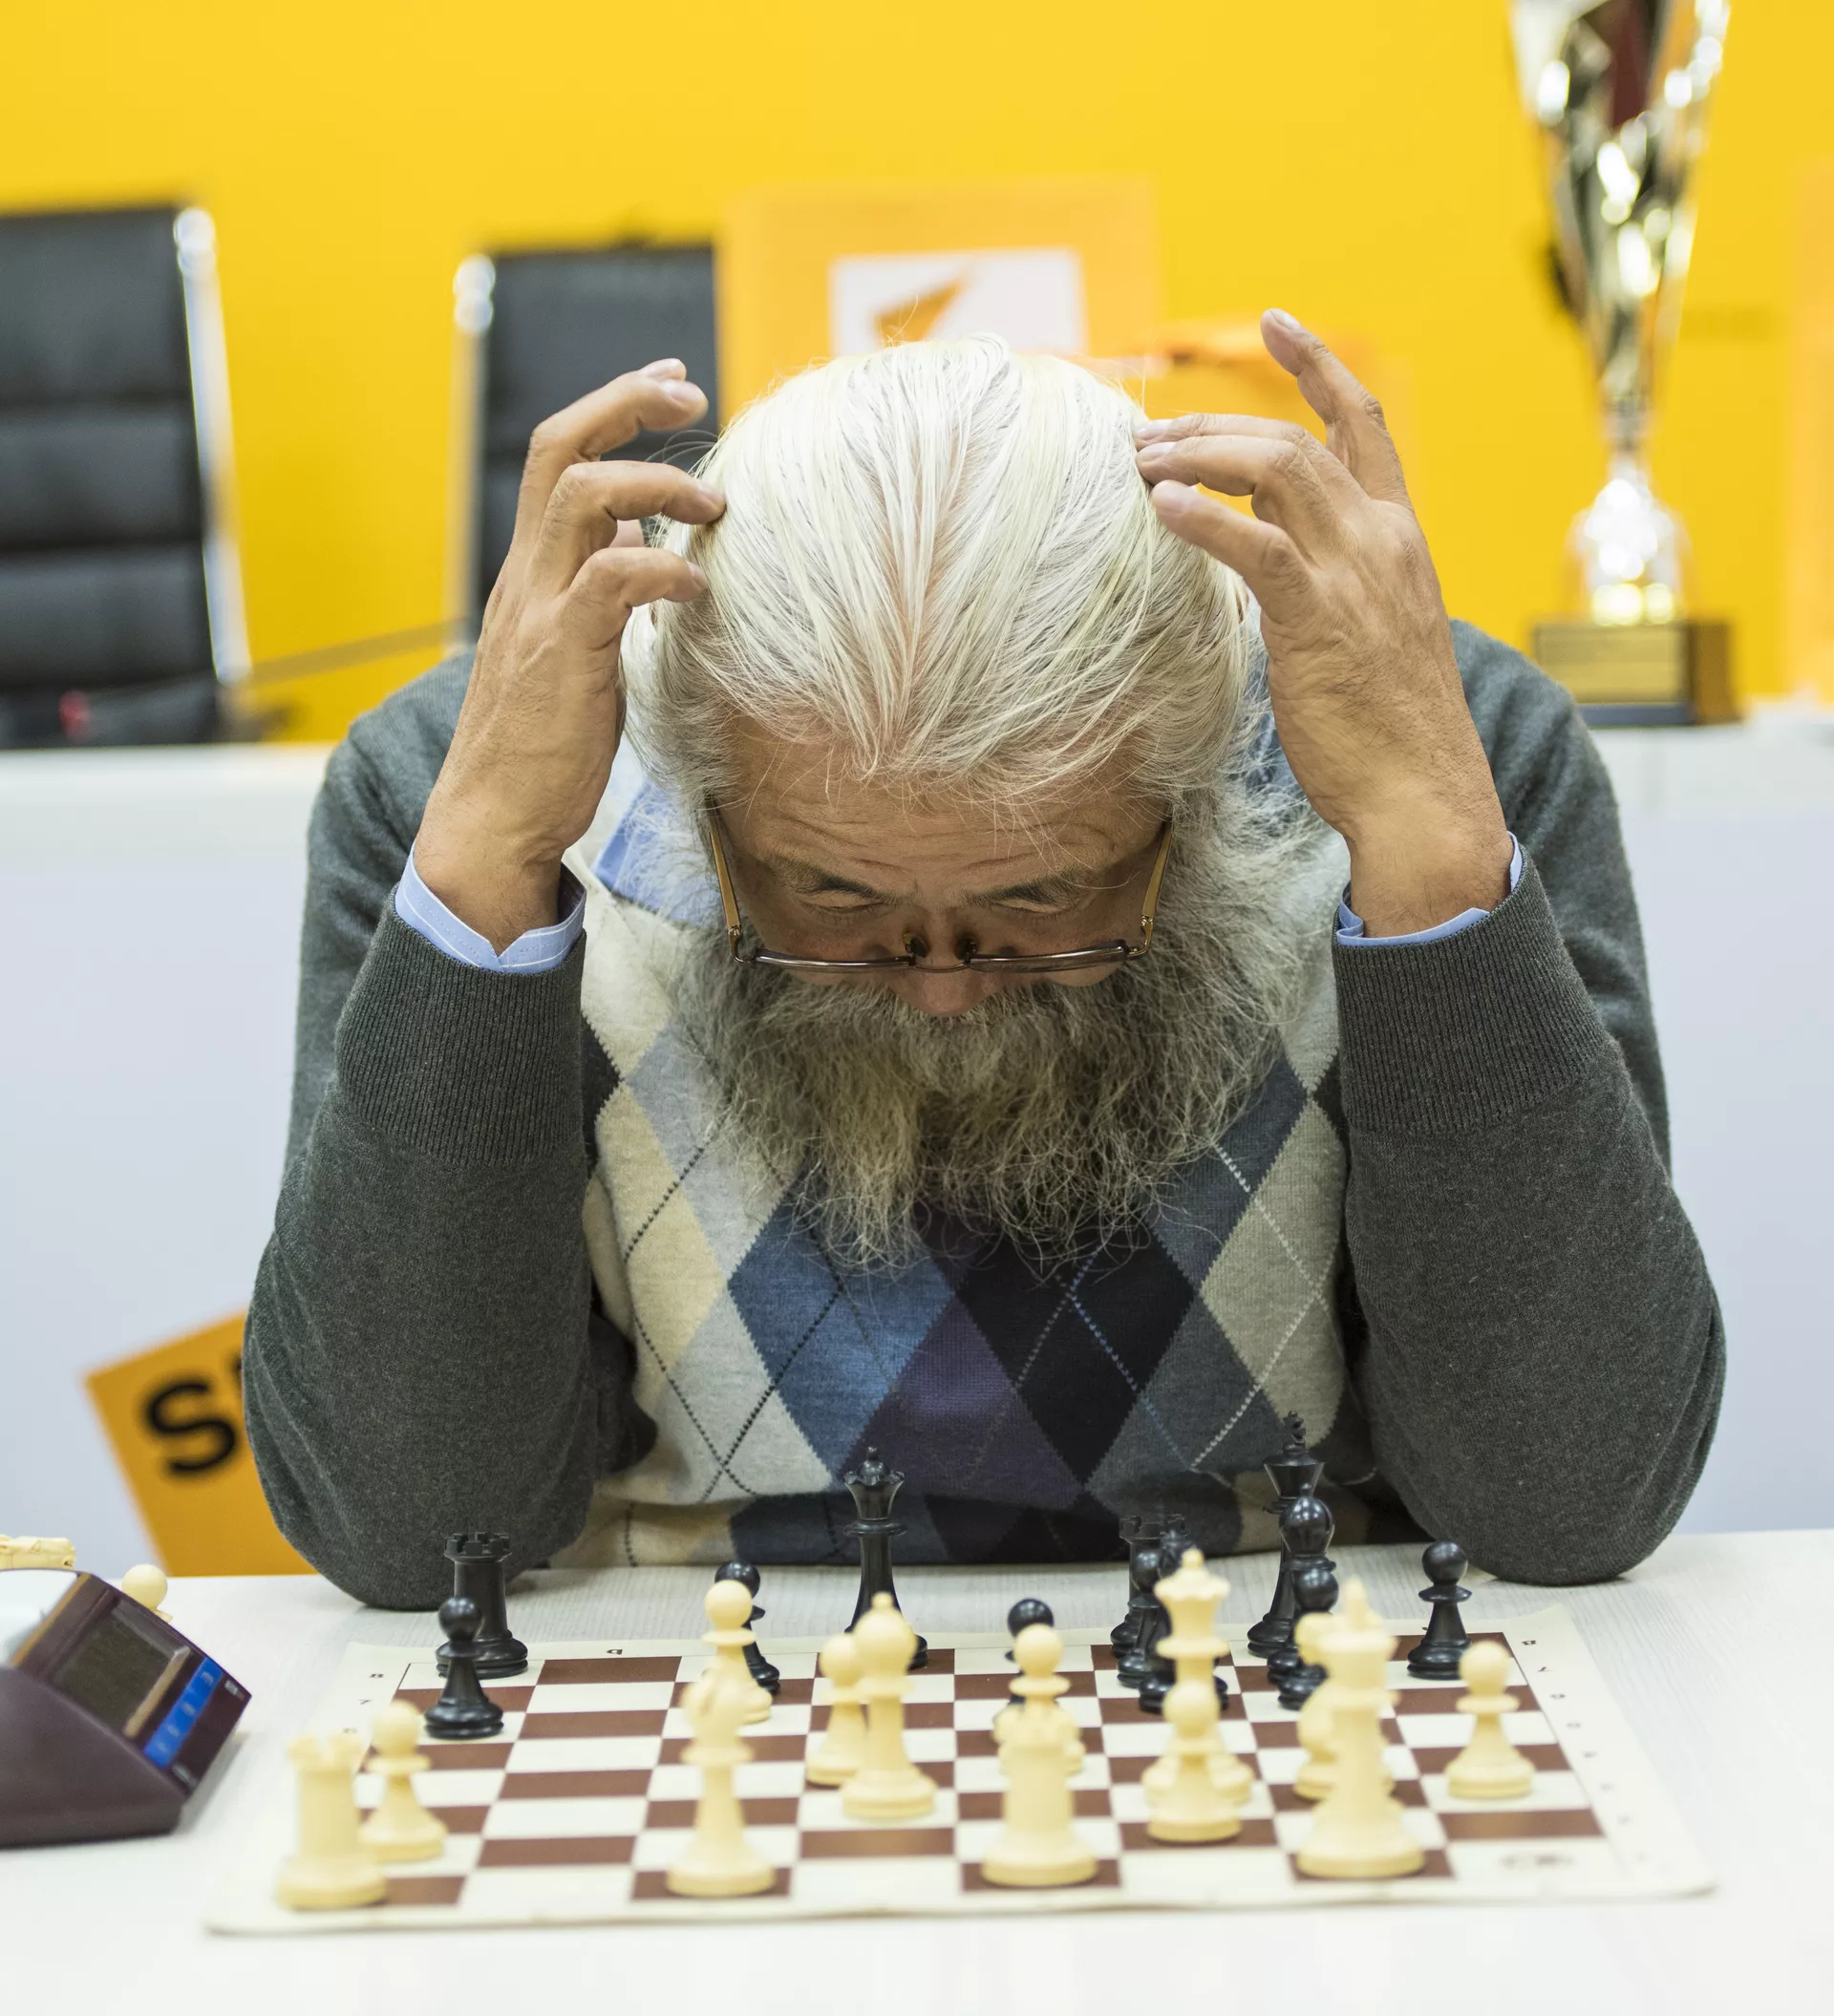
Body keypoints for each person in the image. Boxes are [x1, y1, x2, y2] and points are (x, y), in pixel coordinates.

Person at [244, 314, 1722, 1609]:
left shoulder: (1440, 752)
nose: (943, 986)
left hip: (1286, 1665)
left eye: (1042, 892)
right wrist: (489, 869)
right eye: (831, 889)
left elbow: (1570, 1498)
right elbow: (408, 1529)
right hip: (684, 1680)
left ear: (1202, 776)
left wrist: (1426, 847)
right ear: (694, 784)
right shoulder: (465, 784)